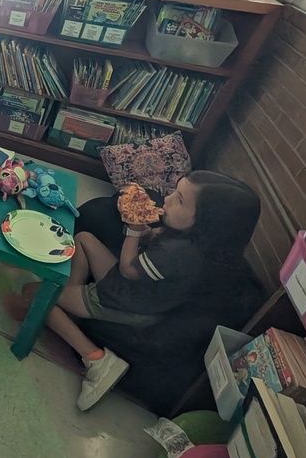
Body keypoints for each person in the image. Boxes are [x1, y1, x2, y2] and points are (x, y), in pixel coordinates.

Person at [46, 170, 261, 411]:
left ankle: (97, 359)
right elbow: (149, 242)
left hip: (123, 301)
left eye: (179, 200)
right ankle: (70, 311)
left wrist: (133, 229)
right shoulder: (191, 242)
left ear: (206, 222)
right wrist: (142, 222)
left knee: (35, 294)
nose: (167, 199)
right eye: (175, 191)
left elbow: (128, 269)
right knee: (84, 239)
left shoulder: (178, 255)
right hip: (130, 290)